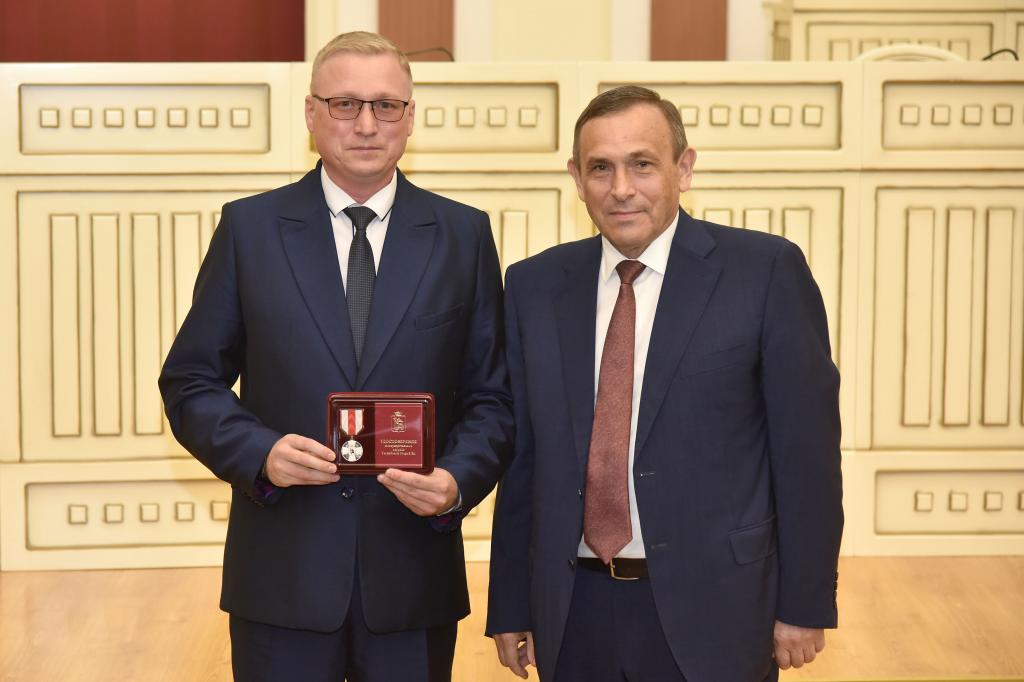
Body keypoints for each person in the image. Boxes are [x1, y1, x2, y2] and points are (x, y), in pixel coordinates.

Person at [159, 31, 512, 682]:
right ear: (312, 113)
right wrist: (259, 453)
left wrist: (456, 481)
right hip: (282, 575)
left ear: (411, 116)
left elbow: (493, 396)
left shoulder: (462, 235)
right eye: (346, 104)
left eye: (386, 105)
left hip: (411, 576)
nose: (367, 125)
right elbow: (191, 380)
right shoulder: (250, 230)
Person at [486, 85, 843, 681]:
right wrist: (512, 603)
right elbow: (523, 462)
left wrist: (804, 604)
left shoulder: (765, 272)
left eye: (643, 164)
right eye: (601, 167)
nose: (621, 188)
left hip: (719, 608)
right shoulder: (533, 286)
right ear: (577, 178)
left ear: (684, 167)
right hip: (572, 611)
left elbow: (806, 457)